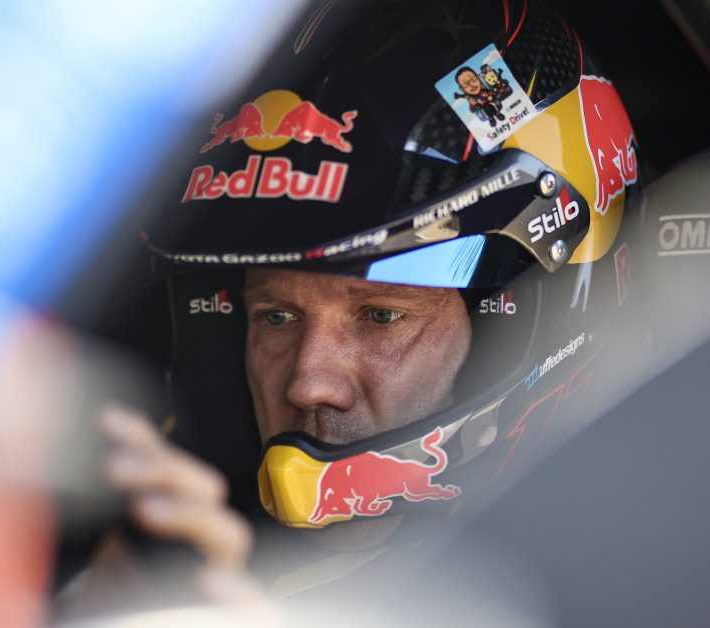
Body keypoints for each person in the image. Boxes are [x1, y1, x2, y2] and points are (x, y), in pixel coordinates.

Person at [78, 0, 644, 611]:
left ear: (539, 314)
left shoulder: (655, 582)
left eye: (381, 315)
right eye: (276, 317)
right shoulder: (147, 574)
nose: (308, 384)